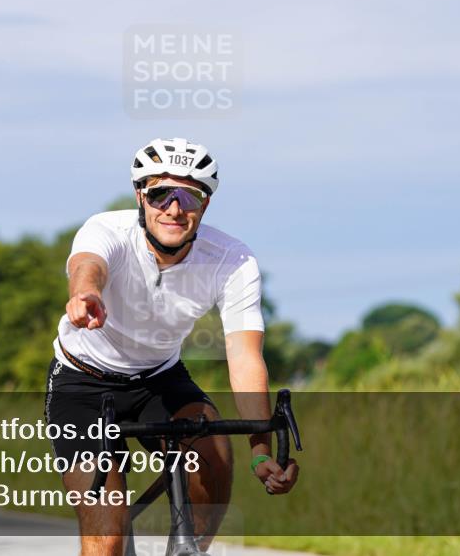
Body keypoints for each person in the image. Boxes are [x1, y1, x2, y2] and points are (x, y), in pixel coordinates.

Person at [44, 137, 299, 556]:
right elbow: (88, 265)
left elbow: (244, 357)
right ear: (140, 197)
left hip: (159, 380)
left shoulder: (232, 260)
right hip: (82, 384)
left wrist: (260, 451)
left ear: (206, 204)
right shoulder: (107, 230)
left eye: (190, 196)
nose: (175, 208)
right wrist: (85, 293)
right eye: (161, 193)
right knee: (107, 538)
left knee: (214, 458)